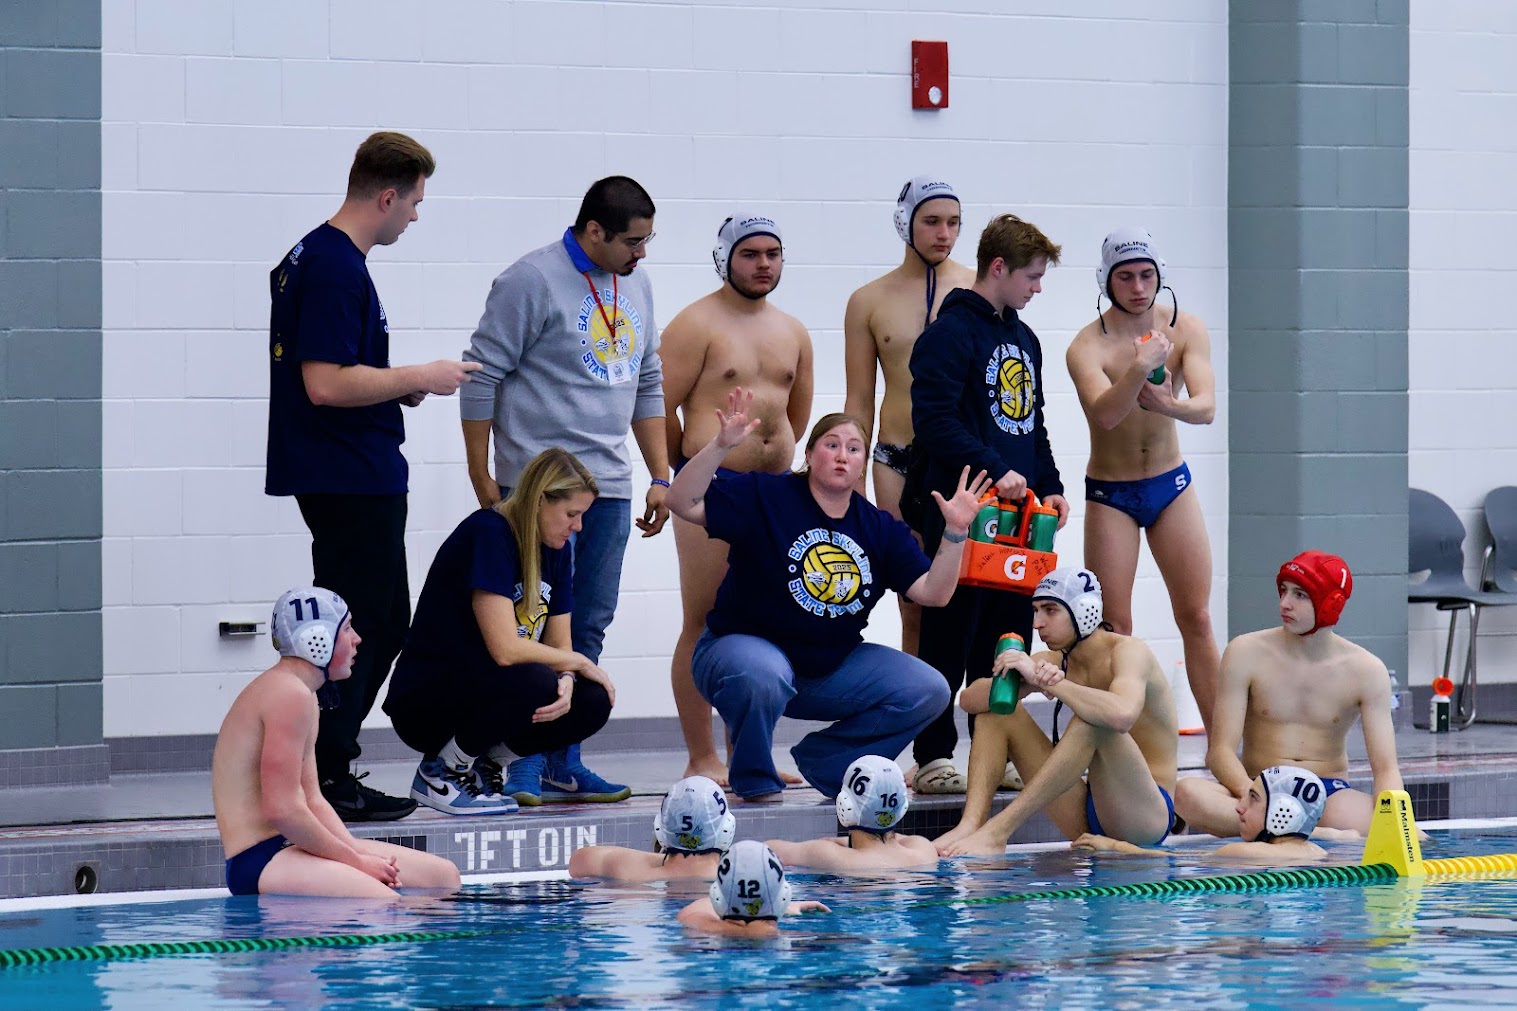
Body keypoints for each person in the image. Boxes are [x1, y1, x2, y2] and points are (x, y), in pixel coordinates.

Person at [265, 131, 481, 821]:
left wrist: (395, 387)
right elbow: (325, 383)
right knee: (360, 629)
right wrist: (421, 375)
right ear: (387, 196)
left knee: (378, 623)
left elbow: (337, 375)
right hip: (348, 474)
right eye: (414, 203)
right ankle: (326, 773)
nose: (415, 216)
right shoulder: (335, 266)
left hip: (347, 468)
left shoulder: (315, 255)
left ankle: (327, 765)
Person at [461, 176, 670, 803]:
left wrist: (659, 474)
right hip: (538, 488)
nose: (642, 254)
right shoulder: (529, 280)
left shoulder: (636, 283)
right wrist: (481, 475)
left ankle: (564, 758)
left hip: (609, 485)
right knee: (531, 622)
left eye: (648, 241)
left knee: (589, 624)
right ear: (594, 231)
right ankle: (518, 759)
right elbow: (480, 377)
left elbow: (648, 379)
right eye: (632, 242)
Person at [667, 390, 985, 802]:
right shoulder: (766, 495)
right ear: (809, 454)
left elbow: (934, 593)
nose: (842, 456)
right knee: (763, 672)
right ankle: (754, 779)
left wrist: (956, 532)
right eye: (831, 445)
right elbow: (682, 501)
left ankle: (829, 763)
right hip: (738, 653)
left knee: (929, 689)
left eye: (853, 449)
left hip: (823, 670)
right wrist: (720, 445)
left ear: (862, 464)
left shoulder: (878, 528)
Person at [908, 213, 1069, 796]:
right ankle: (933, 755)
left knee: (1006, 638)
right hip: (964, 509)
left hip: (1018, 521)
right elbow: (933, 421)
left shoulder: (1025, 340)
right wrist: (994, 467)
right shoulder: (948, 335)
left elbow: (1032, 425)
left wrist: (1049, 483)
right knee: (948, 635)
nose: (1038, 288)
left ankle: (991, 750)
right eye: (1031, 276)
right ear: (998, 268)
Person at [383, 448, 622, 812]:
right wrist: (577, 662)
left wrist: (569, 677)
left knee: (592, 699)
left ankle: (485, 765)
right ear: (540, 500)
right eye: (571, 514)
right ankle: (440, 772)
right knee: (537, 679)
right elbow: (506, 649)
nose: (578, 527)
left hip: (485, 693)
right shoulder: (489, 533)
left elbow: (560, 645)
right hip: (426, 703)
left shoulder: (556, 551)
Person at [662, 213, 814, 785]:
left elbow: (795, 412)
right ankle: (702, 755)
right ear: (724, 259)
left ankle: (750, 755)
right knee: (703, 619)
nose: (763, 264)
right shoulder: (694, 324)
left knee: (761, 623)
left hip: (772, 491)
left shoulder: (793, 330)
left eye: (772, 253)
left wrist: (776, 458)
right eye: (750, 254)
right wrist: (679, 470)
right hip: (712, 488)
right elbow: (655, 406)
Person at [1065, 227, 1219, 732]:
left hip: (1170, 485)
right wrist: (1139, 368)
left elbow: (1206, 408)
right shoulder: (1086, 346)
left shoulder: (1186, 328)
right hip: (1112, 493)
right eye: (1125, 277)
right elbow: (1105, 415)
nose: (1137, 287)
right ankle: (1114, 748)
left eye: (1146, 275)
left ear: (1160, 276)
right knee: (1115, 629)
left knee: (1196, 618)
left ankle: (1223, 745)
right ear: (1106, 281)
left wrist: (1169, 404)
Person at [212, 587, 461, 898]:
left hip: (292, 846)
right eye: (347, 629)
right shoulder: (288, 695)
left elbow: (312, 799)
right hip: (261, 859)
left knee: (443, 878)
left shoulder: (303, 694)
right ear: (316, 640)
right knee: (385, 904)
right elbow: (282, 810)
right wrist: (356, 862)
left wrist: (356, 853)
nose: (357, 639)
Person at [936, 568, 1178, 856]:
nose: (1037, 623)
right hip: (1091, 808)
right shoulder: (1054, 660)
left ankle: (997, 831)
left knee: (1092, 722)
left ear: (1085, 611)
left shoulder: (1128, 652)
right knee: (998, 712)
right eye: (1036, 611)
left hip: (1146, 815)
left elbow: (1122, 714)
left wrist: (1052, 684)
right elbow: (969, 701)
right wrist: (1012, 677)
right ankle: (970, 825)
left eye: (1050, 610)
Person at [1173, 551, 1405, 837]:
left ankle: (1278, 832)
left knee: (1402, 828)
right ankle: (1311, 835)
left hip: (1326, 796)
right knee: (1186, 794)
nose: (1285, 603)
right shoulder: (1246, 652)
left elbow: (1386, 770)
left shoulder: (1367, 671)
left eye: (1300, 595)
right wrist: (1257, 800)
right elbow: (1220, 753)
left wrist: (1396, 827)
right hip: (1256, 786)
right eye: (1283, 590)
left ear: (1330, 604)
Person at [843, 176, 976, 659]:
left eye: (954, 223)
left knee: (970, 595)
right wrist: (851, 482)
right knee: (913, 600)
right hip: (896, 461)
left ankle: (968, 701)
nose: (944, 233)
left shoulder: (977, 290)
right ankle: (921, 705)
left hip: (962, 464)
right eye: (932, 221)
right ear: (905, 223)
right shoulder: (868, 300)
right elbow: (860, 400)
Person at [1077, 765, 1332, 865]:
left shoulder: (1245, 853)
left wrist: (1114, 846)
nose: (1239, 807)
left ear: (1283, 813)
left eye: (1253, 798)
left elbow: (1169, 859)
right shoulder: (1319, 853)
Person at [767, 756, 939, 872]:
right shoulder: (924, 850)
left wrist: (828, 843)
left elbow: (767, 849)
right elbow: (891, 843)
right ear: (901, 807)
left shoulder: (831, 856)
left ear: (845, 803)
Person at [568, 775, 733, 882]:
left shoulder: (630, 874)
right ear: (727, 829)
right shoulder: (733, 882)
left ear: (661, 829)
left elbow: (578, 861)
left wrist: (669, 859)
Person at [677, 840, 829, 937]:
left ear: (717, 896)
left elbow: (701, 907)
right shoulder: (793, 939)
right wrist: (774, 906)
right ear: (784, 896)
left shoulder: (695, 923)